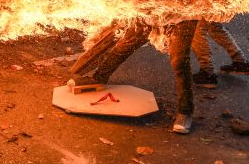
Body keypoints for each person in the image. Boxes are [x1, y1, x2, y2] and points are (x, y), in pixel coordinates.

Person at [70, 18, 198, 134]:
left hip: (182, 17)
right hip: (151, 9)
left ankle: (185, 110)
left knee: (179, 61)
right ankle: (99, 78)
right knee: (125, 44)